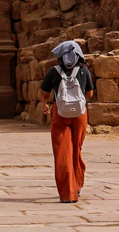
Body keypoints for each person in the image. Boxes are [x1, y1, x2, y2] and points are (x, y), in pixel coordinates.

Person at [40, 39, 94, 203]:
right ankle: (77, 185)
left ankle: (67, 194)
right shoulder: (84, 71)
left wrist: (45, 104)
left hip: (60, 113)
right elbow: (89, 94)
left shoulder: (53, 71)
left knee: (63, 152)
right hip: (80, 115)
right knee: (76, 149)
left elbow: (45, 93)